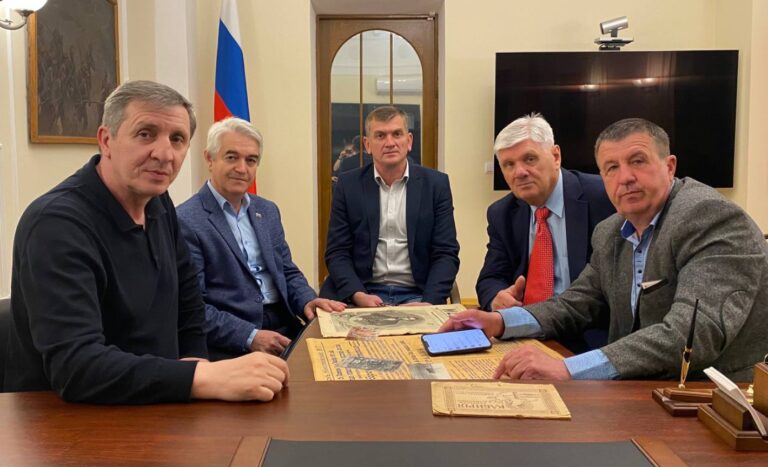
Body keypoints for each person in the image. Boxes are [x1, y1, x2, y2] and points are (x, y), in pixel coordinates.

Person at [4, 80, 290, 404]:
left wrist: (197, 365)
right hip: (68, 419)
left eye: (177, 139)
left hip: (156, 401)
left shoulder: (158, 203)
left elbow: (189, 305)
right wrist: (201, 377)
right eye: (145, 134)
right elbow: (77, 368)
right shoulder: (55, 225)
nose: (164, 154)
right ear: (106, 140)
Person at [441, 118, 768, 382]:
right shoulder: (611, 231)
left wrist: (568, 368)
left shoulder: (710, 217)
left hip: (712, 400)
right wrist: (498, 321)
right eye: (611, 168)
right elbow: (575, 304)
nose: (625, 177)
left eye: (637, 161)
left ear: (669, 166)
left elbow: (691, 335)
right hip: (636, 388)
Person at [176, 117, 345, 360]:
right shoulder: (186, 220)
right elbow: (193, 308)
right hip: (232, 340)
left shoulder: (267, 211)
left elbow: (287, 271)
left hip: (286, 324)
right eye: (231, 157)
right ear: (209, 159)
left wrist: (308, 301)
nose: (242, 168)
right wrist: (250, 336)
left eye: (251, 160)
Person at [476, 113, 614, 316]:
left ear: (555, 156)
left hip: (587, 324)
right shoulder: (502, 213)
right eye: (509, 164)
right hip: (526, 322)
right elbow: (490, 279)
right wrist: (497, 297)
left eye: (529, 159)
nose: (519, 172)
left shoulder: (603, 196)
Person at [321, 105, 460, 306]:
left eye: (397, 134)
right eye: (380, 136)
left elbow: (446, 253)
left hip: (417, 295)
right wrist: (358, 295)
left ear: (409, 141)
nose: (390, 143)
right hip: (362, 293)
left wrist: (429, 302)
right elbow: (337, 252)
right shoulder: (348, 186)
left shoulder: (436, 185)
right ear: (367, 145)